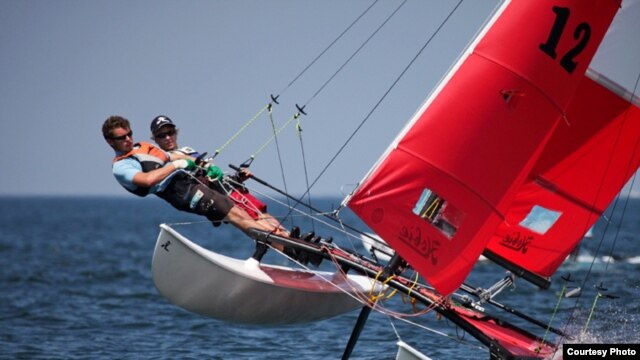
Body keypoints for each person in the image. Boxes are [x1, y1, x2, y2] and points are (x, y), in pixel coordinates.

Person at [102, 115, 288, 239]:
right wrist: (178, 165)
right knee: (234, 212)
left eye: (129, 134)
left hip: (190, 183)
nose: (128, 139)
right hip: (178, 191)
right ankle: (277, 239)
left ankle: (289, 243)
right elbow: (148, 180)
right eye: (122, 138)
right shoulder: (121, 166)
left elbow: (174, 156)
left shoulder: (142, 147)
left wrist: (201, 164)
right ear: (110, 142)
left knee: (246, 211)